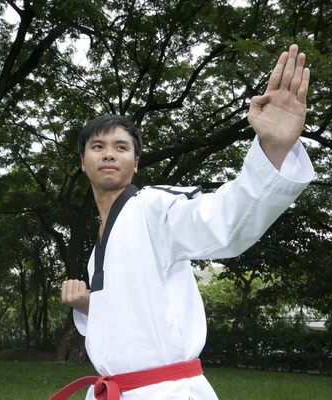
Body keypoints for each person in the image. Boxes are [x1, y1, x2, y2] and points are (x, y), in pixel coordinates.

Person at [51, 44, 314, 400]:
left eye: (121, 147)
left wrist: (274, 147)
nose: (109, 153)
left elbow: (224, 220)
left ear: (136, 163)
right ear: (83, 163)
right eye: (97, 147)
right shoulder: (101, 242)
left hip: (165, 391)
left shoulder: (155, 208)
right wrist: (87, 305)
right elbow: (131, 316)